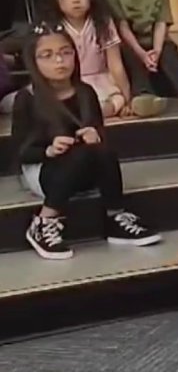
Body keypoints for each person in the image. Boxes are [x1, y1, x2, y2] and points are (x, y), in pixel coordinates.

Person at [12, 23, 160, 260]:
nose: (59, 61)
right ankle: (44, 221)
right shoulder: (27, 98)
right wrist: (48, 150)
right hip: (44, 171)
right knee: (79, 155)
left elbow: (99, 137)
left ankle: (115, 217)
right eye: (47, 56)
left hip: (83, 168)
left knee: (104, 152)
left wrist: (95, 135)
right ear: (33, 61)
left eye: (65, 52)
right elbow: (20, 152)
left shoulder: (85, 92)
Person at [41, 0, 151, 121]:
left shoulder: (103, 23)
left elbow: (115, 64)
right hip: (68, 83)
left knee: (111, 102)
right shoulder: (51, 27)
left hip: (101, 81)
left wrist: (127, 98)